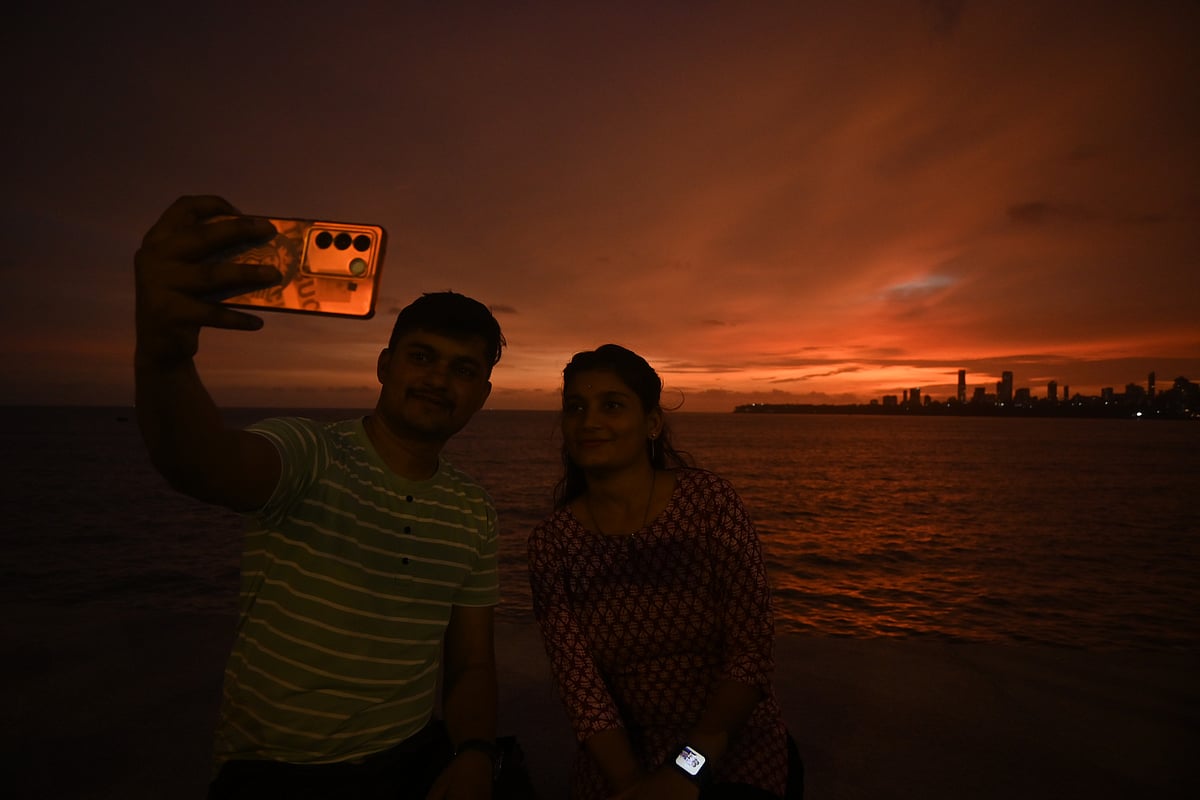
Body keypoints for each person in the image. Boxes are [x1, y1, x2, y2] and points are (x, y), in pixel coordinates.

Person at [134, 195, 506, 800]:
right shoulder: (311, 451)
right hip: (275, 770)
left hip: (410, 757)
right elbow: (203, 464)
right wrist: (164, 355)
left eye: (463, 370)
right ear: (385, 366)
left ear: (482, 396)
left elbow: (471, 665)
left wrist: (474, 755)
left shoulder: (474, 512)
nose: (440, 380)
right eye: (422, 358)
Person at [527, 345, 802, 800]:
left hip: (728, 743)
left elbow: (751, 651)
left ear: (652, 424)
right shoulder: (554, 544)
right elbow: (582, 687)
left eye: (611, 405)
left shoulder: (708, 503)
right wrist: (632, 784)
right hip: (621, 754)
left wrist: (686, 769)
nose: (588, 421)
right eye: (575, 407)